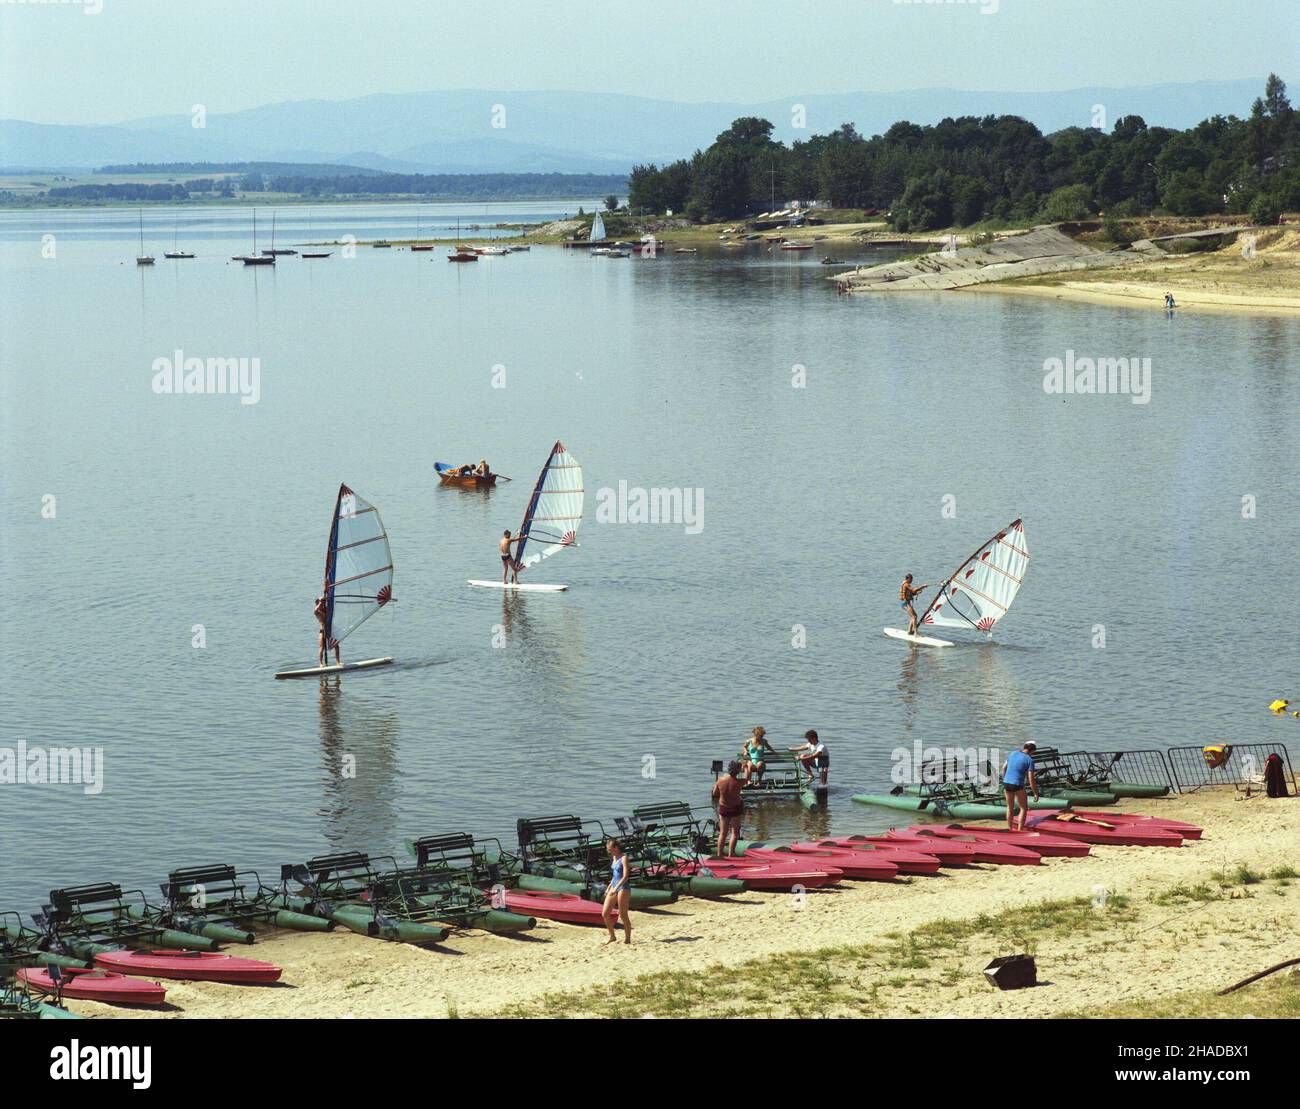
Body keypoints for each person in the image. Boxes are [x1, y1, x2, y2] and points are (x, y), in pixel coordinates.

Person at [1000, 741, 1040, 831]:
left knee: (1009, 807)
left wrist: (1004, 780)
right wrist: (1035, 793)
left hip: (1006, 783)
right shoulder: (1029, 760)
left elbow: (1003, 768)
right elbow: (1031, 779)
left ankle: (1009, 828)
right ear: (1032, 751)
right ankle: (1019, 830)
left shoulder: (1012, 753)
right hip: (1017, 785)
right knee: (1023, 808)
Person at [711, 760, 745, 858]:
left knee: (723, 832)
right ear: (738, 771)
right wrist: (745, 767)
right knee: (734, 833)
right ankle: (730, 855)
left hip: (724, 808)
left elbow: (714, 793)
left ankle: (719, 854)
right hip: (735, 808)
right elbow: (748, 778)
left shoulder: (720, 780)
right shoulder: (739, 782)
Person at [602, 838, 632, 945]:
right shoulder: (614, 857)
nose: (608, 851)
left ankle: (627, 938)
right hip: (613, 886)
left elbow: (625, 876)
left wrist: (616, 888)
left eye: (610, 849)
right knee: (605, 913)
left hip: (623, 887)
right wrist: (609, 887)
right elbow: (615, 876)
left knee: (623, 914)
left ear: (616, 848)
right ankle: (612, 936)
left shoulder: (624, 858)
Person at [314, 593, 339, 667]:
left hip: (329, 631)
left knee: (336, 646)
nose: (323, 603)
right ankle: (321, 664)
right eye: (321, 602)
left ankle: (338, 662)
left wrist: (328, 599)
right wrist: (321, 601)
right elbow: (315, 610)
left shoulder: (326, 610)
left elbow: (331, 607)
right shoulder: (318, 612)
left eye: (323, 602)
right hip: (322, 632)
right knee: (322, 647)